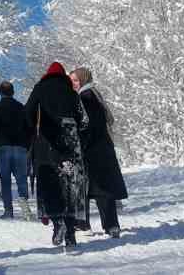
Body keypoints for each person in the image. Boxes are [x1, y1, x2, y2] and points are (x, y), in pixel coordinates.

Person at [23, 61, 88, 252]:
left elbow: (27, 113)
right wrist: (75, 131)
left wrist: (33, 131)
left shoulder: (40, 88)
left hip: (47, 138)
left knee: (48, 181)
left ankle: (57, 221)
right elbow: (84, 120)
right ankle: (70, 234)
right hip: (70, 139)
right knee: (70, 184)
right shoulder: (72, 93)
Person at [71, 66, 127, 238]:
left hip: (93, 149)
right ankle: (110, 225)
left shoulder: (85, 97)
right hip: (102, 147)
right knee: (101, 188)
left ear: (82, 80)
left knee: (90, 186)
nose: (72, 84)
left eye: (75, 80)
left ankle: (87, 224)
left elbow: (89, 125)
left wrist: (81, 144)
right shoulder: (94, 94)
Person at [0, 80, 32, 219]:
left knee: (5, 181)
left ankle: (8, 210)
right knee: (22, 179)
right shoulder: (22, 108)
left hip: (2, 148)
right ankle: (25, 209)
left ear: (0, 92)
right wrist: (27, 145)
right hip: (20, 147)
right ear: (13, 92)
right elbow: (29, 128)